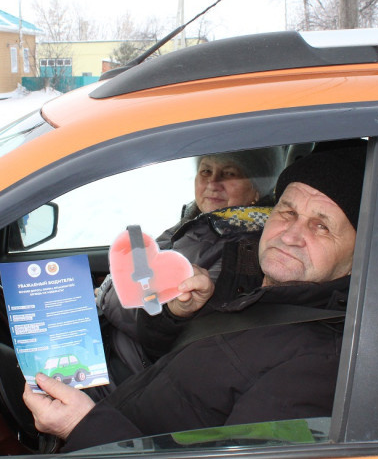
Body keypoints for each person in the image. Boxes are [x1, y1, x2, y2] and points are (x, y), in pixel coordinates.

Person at [23, 143, 367, 452]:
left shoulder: (317, 366)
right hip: (113, 411)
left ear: (358, 254)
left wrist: (83, 428)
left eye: (320, 226)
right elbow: (170, 360)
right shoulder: (247, 278)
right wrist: (176, 314)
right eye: (287, 212)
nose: (291, 235)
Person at [95, 148, 283, 379]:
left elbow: (150, 316)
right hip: (114, 350)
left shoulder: (243, 250)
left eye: (230, 173)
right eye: (206, 170)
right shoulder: (199, 223)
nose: (213, 182)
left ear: (257, 188)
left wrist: (106, 293)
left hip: (134, 375)